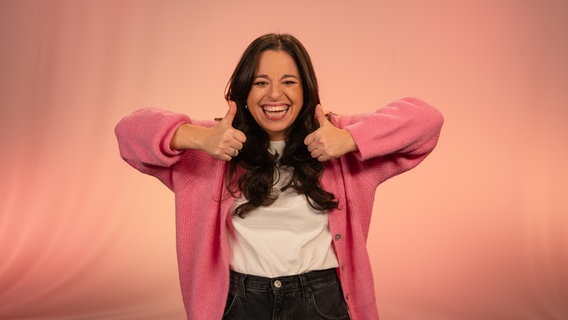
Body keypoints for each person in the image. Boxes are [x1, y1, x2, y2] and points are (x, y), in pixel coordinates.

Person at [115, 33, 443, 320]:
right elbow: (129, 132)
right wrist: (197, 138)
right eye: (260, 82)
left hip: (321, 299)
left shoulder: (337, 140)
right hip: (239, 302)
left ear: (306, 89)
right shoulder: (215, 144)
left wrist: (351, 140)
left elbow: (427, 120)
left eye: (289, 81)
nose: (275, 94)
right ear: (244, 91)